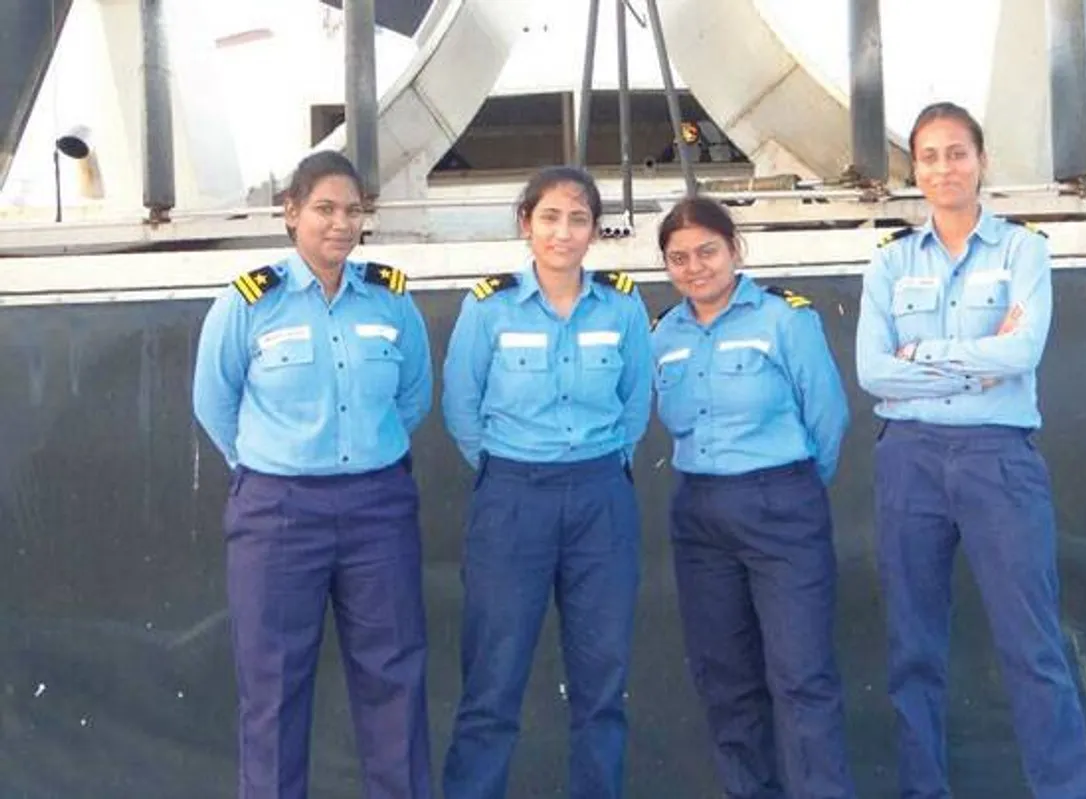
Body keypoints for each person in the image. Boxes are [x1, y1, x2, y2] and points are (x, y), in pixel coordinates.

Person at [854, 102, 1086, 798]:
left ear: (981, 161)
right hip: (910, 459)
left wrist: (925, 355)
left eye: (957, 153)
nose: (943, 168)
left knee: (1032, 645)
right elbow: (874, 370)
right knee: (913, 648)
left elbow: (1023, 350)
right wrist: (978, 359)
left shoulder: (1025, 250)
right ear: (916, 170)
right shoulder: (890, 261)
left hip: (998, 459)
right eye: (928, 156)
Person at [192, 150, 433, 799]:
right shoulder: (249, 303)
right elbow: (214, 403)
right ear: (292, 212)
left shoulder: (390, 299)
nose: (340, 223)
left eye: (353, 210)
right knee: (272, 690)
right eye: (324, 208)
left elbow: (413, 395)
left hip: (377, 509)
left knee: (395, 681)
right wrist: (273, 467)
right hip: (277, 512)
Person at [440, 165, 652, 799]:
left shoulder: (623, 305)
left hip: (600, 499)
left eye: (579, 218)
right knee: (493, 684)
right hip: (512, 498)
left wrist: (596, 468)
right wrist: (514, 467)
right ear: (525, 224)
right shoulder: (488, 307)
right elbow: (461, 408)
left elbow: (635, 402)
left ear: (594, 229)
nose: (564, 232)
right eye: (551, 217)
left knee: (601, 686)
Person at [650, 197, 858, 799]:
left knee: (801, 678)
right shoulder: (664, 334)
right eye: (679, 258)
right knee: (725, 679)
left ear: (735, 249)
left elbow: (828, 419)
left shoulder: (785, 319)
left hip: (781, 505)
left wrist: (788, 492)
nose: (695, 268)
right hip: (699, 517)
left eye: (707, 251)